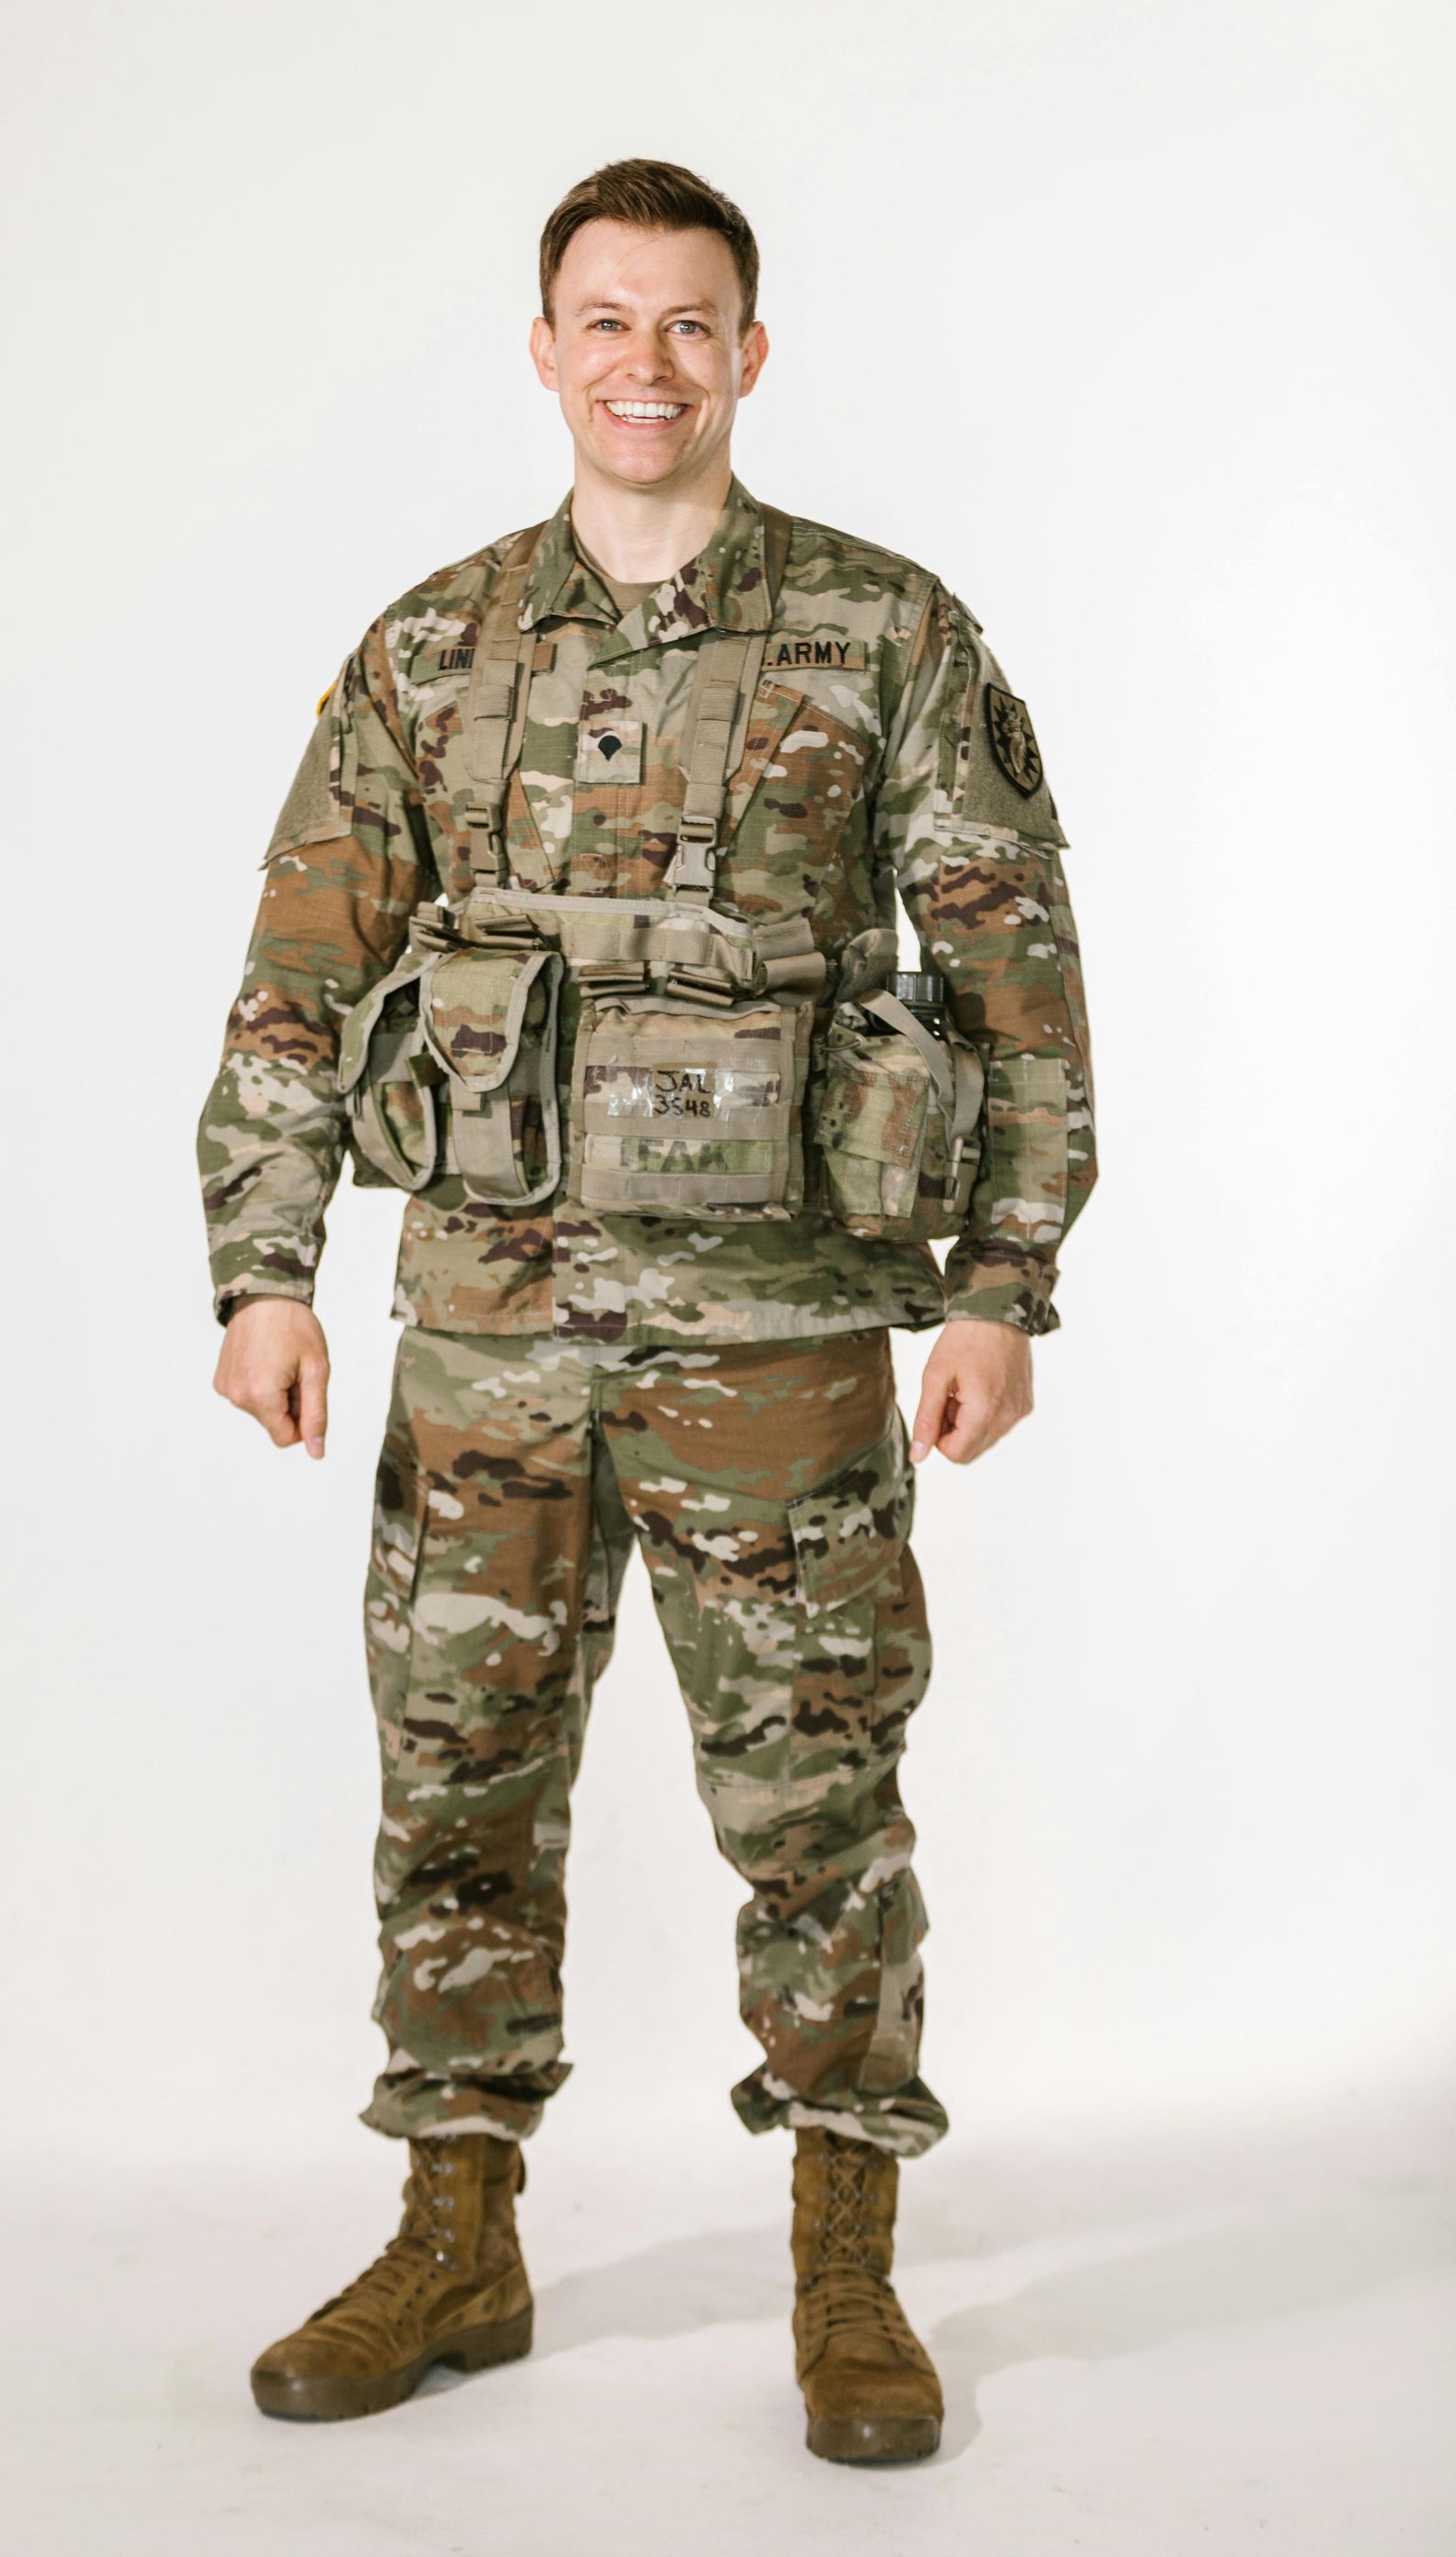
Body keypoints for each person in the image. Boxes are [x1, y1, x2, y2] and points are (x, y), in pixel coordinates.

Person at [197, 158, 1095, 2464]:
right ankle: (457, 2235)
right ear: (543, 350)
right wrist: (265, 1268)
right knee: (457, 1785)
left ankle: (847, 2266)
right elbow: (303, 978)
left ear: (751, 355)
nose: (645, 366)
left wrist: (1001, 1284)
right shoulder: (426, 651)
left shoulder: (885, 638)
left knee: (816, 1799)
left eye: (689, 325)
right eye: (605, 323)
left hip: (778, 1345)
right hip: (484, 1332)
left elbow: (1013, 983)